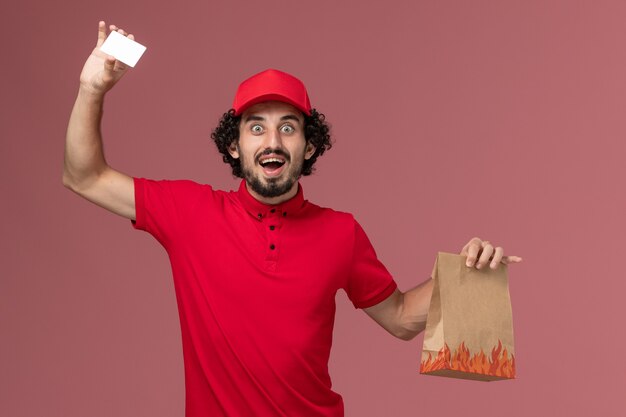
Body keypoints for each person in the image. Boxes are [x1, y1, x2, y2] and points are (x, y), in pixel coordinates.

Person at [63, 21, 523, 417]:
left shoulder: (341, 232)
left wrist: (464, 274)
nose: (273, 141)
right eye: (256, 126)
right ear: (234, 145)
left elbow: (401, 318)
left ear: (309, 147)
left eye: (288, 127)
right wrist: (91, 89)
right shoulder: (188, 212)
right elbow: (84, 177)